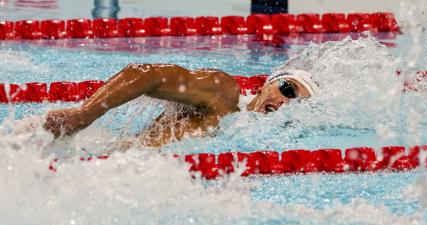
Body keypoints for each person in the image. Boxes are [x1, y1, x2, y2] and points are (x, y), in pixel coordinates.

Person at [44, 64, 318, 148]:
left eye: (295, 102)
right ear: (266, 85)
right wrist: (84, 115)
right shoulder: (223, 95)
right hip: (101, 158)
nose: (284, 101)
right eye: (287, 88)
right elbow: (148, 75)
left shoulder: (264, 140)